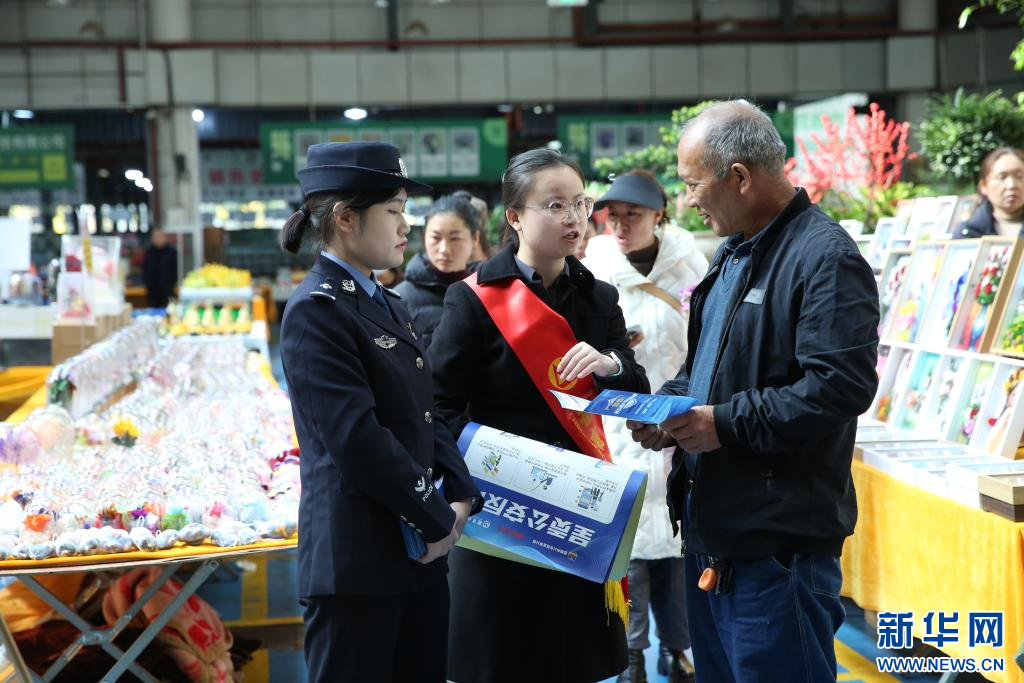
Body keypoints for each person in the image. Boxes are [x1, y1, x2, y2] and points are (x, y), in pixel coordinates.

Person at [627, 101, 879, 682]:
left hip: (777, 548)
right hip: (716, 535)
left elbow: (839, 387)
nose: (687, 200)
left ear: (739, 177)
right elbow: (705, 369)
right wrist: (666, 409)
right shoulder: (734, 252)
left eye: (693, 184)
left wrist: (722, 423)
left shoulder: (825, 257)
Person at [429, 148, 650, 683]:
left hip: (577, 511)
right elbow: (437, 405)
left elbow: (636, 388)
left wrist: (611, 364)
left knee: (569, 659)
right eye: (554, 205)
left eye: (579, 202)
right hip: (500, 510)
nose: (573, 217)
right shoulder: (474, 299)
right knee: (501, 659)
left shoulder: (599, 298)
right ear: (514, 216)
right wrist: (483, 472)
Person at [277, 142, 481, 683]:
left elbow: (424, 411)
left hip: (419, 554)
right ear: (346, 218)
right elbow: (356, 439)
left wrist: (460, 492)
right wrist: (437, 516)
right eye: (393, 210)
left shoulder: (388, 303)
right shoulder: (317, 311)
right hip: (358, 561)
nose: (406, 225)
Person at [584, 170, 708, 683]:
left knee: (678, 543)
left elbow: (706, 341)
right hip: (619, 423)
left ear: (659, 215)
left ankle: (677, 648)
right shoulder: (592, 266)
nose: (620, 225)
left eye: (632, 215)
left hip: (677, 419)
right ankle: (631, 652)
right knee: (627, 544)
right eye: (612, 215)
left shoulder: (691, 265)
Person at [394, 193, 482, 348]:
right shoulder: (399, 299)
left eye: (455, 238)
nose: (444, 249)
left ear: (475, 239)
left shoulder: (488, 289)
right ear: (424, 237)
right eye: (436, 238)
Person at [955, 147, 1024, 238]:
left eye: (1019, 176)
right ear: (984, 186)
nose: (1011, 185)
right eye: (1002, 177)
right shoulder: (966, 233)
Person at [141, 228, 178, 308]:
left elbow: (176, 270)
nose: (158, 239)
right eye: (155, 237)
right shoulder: (149, 252)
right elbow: (145, 269)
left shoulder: (172, 252)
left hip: (167, 290)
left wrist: (171, 282)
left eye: (160, 237)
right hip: (152, 291)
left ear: (165, 238)